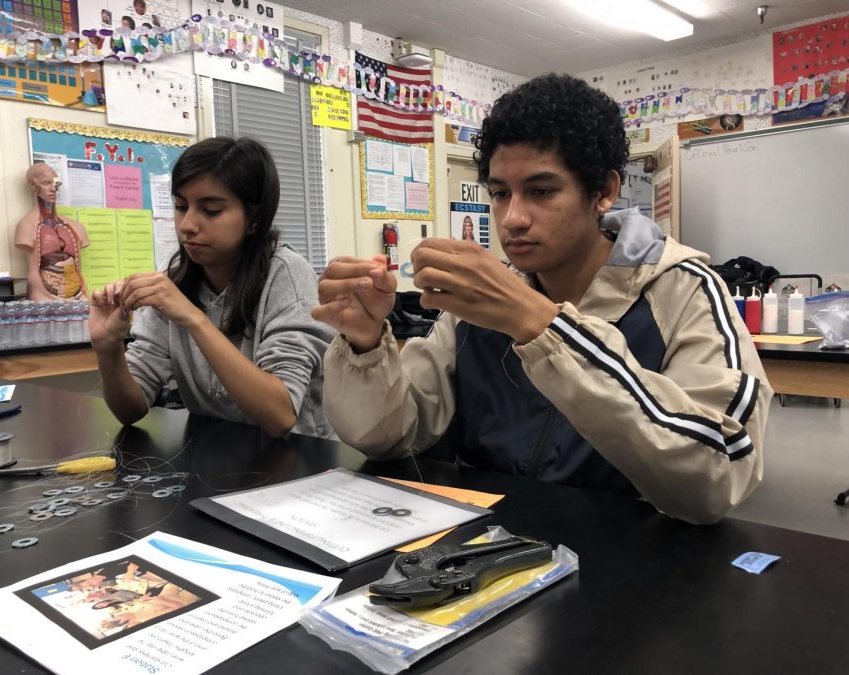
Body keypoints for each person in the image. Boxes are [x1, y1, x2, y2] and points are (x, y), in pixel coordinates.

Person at [314, 73, 771, 525]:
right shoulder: (476, 310)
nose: (512, 218)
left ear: (605, 192)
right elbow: (392, 437)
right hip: (491, 554)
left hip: (636, 563)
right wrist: (366, 346)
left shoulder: (685, 289)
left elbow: (717, 477)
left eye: (541, 191)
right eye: (499, 193)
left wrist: (542, 327)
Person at [89, 137, 334, 438]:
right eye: (181, 206)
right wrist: (107, 347)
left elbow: (280, 415)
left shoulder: (286, 274)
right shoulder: (176, 282)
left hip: (301, 463)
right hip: (218, 463)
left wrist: (193, 318)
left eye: (211, 210)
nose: (187, 225)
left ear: (254, 219)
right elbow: (130, 410)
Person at [14, 162, 90, 302]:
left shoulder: (75, 227)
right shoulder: (26, 226)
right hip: (43, 296)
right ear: (32, 185)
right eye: (46, 183)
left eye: (55, 184)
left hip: (78, 294)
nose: (53, 189)